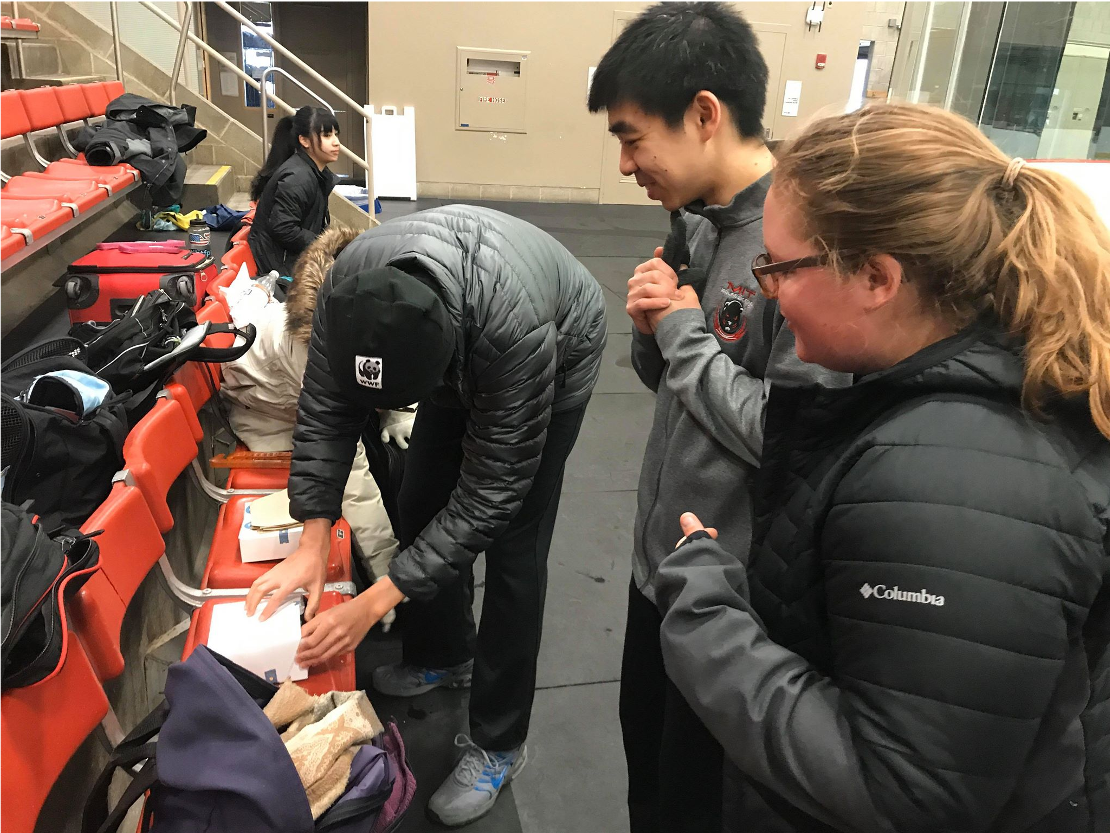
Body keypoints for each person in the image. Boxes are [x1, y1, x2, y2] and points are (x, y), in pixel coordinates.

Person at [655, 103, 1110, 832]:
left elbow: (902, 794)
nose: (767, 288)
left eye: (779, 267)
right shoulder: (948, 405)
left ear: (877, 276)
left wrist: (703, 604)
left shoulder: (950, 478)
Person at [244, 205, 608, 827]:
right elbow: (328, 416)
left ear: (444, 364)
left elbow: (490, 496)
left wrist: (376, 600)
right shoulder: (344, 298)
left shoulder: (512, 333)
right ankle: (447, 653)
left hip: (556, 343)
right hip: (468, 326)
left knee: (517, 547)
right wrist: (310, 541)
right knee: (417, 499)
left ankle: (499, 742)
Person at [586, 3, 847, 830]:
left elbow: (788, 438)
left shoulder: (800, 245)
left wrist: (684, 334)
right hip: (655, 572)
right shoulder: (695, 225)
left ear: (704, 114)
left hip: (731, 600)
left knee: (695, 803)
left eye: (633, 138)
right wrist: (653, 332)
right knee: (648, 785)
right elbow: (674, 381)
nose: (626, 164)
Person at [220, 226, 408, 592]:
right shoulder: (312, 351)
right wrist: (387, 571)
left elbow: (396, 354)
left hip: (288, 387)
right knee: (351, 475)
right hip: (266, 414)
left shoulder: (355, 314)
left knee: (391, 456)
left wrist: (400, 410)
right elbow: (344, 464)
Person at [248, 106, 340, 276]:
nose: (336, 142)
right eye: (327, 135)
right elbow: (284, 228)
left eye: (335, 134)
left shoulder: (314, 173)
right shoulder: (298, 178)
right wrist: (325, 244)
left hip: (290, 257)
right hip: (279, 266)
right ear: (304, 141)